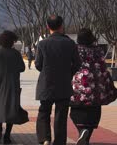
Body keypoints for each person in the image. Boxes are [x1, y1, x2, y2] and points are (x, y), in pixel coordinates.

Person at [35, 15, 81, 145]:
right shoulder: (70, 43)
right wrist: (68, 73)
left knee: (44, 111)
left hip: (46, 84)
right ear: (61, 26)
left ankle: (45, 139)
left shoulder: (42, 44)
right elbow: (77, 64)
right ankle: (59, 141)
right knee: (61, 115)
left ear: (48, 27)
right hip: (63, 84)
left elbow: (38, 64)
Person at [70, 28, 117, 145]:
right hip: (97, 87)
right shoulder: (98, 50)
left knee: (75, 111)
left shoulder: (75, 50)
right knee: (94, 111)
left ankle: (82, 131)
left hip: (79, 87)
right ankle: (85, 136)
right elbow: (103, 67)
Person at [0, 30, 29, 144]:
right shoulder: (15, 54)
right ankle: (7, 136)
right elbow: (22, 68)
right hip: (13, 86)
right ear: (12, 42)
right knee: (11, 109)